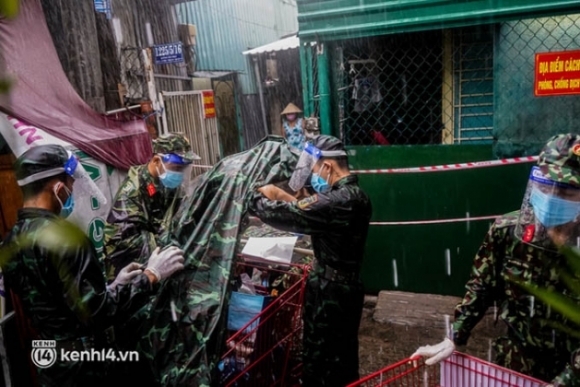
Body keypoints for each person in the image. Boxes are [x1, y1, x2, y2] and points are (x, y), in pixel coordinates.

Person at [0, 144, 185, 386]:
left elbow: (60, 301)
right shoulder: (66, 240)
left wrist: (111, 287)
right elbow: (98, 314)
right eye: (70, 185)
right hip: (83, 365)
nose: (70, 192)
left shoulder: (10, 241)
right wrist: (151, 275)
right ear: (57, 187)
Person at [412, 133, 580, 385]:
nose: (552, 197)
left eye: (566, 192)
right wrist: (454, 336)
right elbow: (482, 285)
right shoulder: (508, 230)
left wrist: (567, 380)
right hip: (515, 360)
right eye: (545, 186)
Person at [248, 135, 372, 386]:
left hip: (331, 293)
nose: (314, 176)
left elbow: (291, 215)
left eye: (315, 169)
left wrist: (254, 199)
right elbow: (310, 213)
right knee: (342, 357)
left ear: (327, 167)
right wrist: (284, 197)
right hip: (342, 288)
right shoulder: (355, 196)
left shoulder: (339, 201)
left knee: (321, 361)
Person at [103, 132, 199, 280]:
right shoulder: (132, 192)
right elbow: (122, 242)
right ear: (156, 161)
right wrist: (170, 243)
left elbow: (183, 215)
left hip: (158, 266)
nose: (179, 174)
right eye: (176, 167)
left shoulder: (169, 185)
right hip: (129, 274)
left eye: (182, 169)